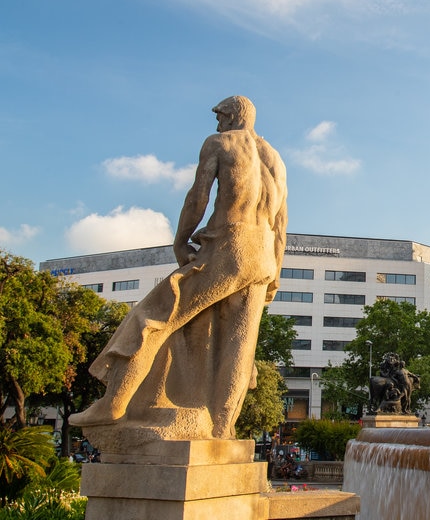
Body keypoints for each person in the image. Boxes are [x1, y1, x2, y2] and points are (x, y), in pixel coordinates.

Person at [72, 95, 288, 439]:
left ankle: (115, 400)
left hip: (230, 246)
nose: (217, 123)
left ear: (232, 116)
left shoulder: (220, 142)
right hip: (261, 257)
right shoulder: (275, 158)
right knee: (238, 346)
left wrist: (180, 240)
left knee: (153, 316)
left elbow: (197, 197)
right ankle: (221, 431)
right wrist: (274, 274)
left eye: (219, 116)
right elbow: (281, 223)